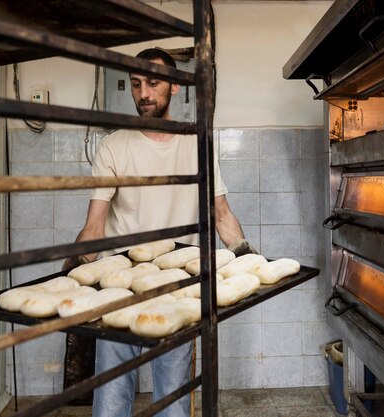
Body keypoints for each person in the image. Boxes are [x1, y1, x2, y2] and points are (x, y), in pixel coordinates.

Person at [63, 48, 256, 417]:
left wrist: (248, 259)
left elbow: (221, 213)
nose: (144, 93)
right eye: (136, 84)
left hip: (179, 286)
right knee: (112, 396)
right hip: (120, 286)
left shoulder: (197, 143)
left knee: (173, 397)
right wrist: (69, 276)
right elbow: (94, 226)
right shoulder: (113, 146)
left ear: (175, 88)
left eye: (153, 83)